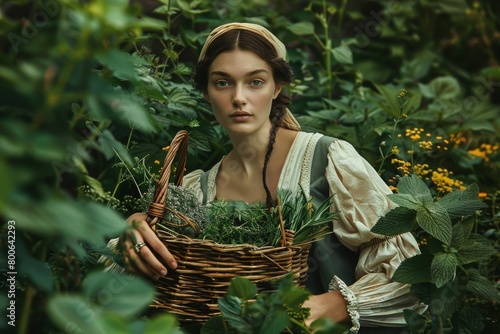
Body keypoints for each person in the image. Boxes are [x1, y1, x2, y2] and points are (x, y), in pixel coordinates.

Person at [107, 22, 426, 333]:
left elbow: (411, 276)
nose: (239, 98)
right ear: (206, 91)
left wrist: (332, 306)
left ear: (278, 87)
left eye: (255, 82)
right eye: (222, 82)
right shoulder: (198, 188)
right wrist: (139, 222)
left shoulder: (327, 160)